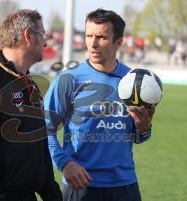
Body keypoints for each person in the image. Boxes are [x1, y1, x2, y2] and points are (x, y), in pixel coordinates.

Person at [44, 9, 155, 201]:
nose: (92, 44)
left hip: (125, 187)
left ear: (118, 42)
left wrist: (144, 129)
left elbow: (137, 137)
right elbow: (44, 129)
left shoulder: (133, 82)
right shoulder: (68, 80)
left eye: (101, 37)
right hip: (80, 186)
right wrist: (64, 163)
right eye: (88, 35)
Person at [0, 9, 62, 201]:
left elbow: (38, 148)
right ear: (28, 36)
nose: (46, 42)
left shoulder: (30, 84)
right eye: (42, 35)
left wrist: (52, 194)